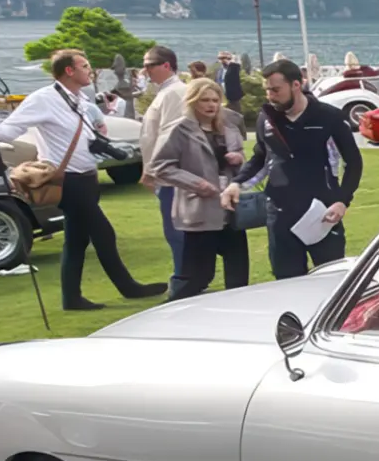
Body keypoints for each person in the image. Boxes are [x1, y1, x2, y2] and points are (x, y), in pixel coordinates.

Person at [0, 49, 166, 311]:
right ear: (69, 71)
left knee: (76, 240)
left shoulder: (78, 98)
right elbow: (7, 131)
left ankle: (71, 298)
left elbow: (83, 136)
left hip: (86, 176)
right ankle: (127, 287)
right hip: (69, 180)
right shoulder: (43, 99)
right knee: (103, 233)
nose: (90, 71)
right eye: (84, 66)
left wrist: (106, 148)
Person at [224, 59, 363, 280]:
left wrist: (342, 201)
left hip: (322, 213)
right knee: (286, 281)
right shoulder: (267, 118)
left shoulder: (329, 117)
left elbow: (354, 163)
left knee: (331, 280)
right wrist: (236, 183)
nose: (270, 95)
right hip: (280, 214)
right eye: (267, 90)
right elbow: (261, 157)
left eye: (276, 89)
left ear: (296, 85)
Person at [148, 79, 249, 300]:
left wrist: (239, 157)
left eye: (215, 100)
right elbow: (159, 167)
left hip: (231, 208)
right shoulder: (178, 129)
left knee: (239, 274)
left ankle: (238, 313)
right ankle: (177, 312)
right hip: (199, 209)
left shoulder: (229, 126)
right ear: (193, 101)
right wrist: (196, 184)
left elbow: (243, 160)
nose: (211, 105)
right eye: (205, 100)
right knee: (198, 275)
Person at [136, 45, 190, 290]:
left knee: (176, 230)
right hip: (165, 173)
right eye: (145, 65)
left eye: (150, 65)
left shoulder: (174, 93)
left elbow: (167, 135)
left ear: (166, 65)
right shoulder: (165, 93)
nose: (145, 70)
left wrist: (151, 170)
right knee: (174, 229)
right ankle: (183, 276)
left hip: (170, 175)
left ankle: (183, 278)